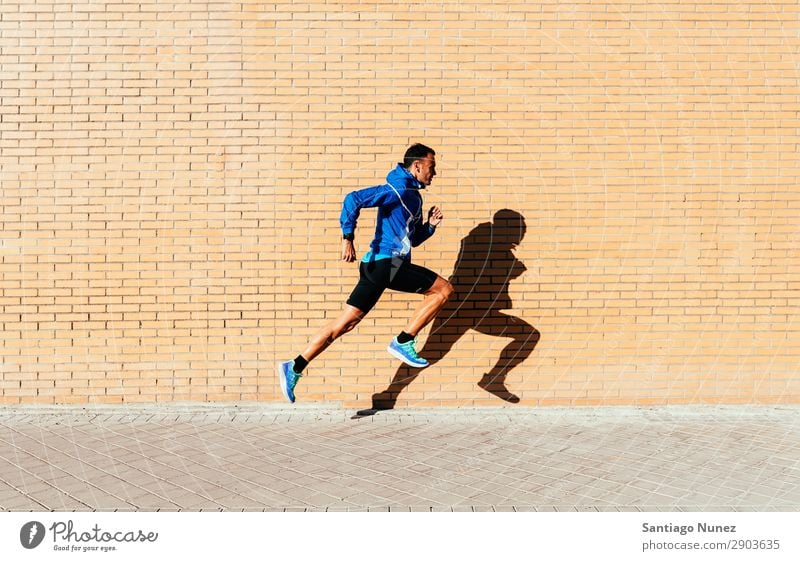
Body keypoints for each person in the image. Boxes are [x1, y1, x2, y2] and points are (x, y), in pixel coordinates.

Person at [277, 144, 454, 403]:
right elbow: (353, 199)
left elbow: (412, 239)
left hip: (376, 266)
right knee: (444, 289)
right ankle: (404, 340)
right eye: (431, 167)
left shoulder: (412, 196)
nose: (434, 173)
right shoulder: (398, 189)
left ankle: (294, 366)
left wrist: (429, 226)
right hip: (387, 264)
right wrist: (347, 237)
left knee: (344, 324)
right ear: (417, 166)